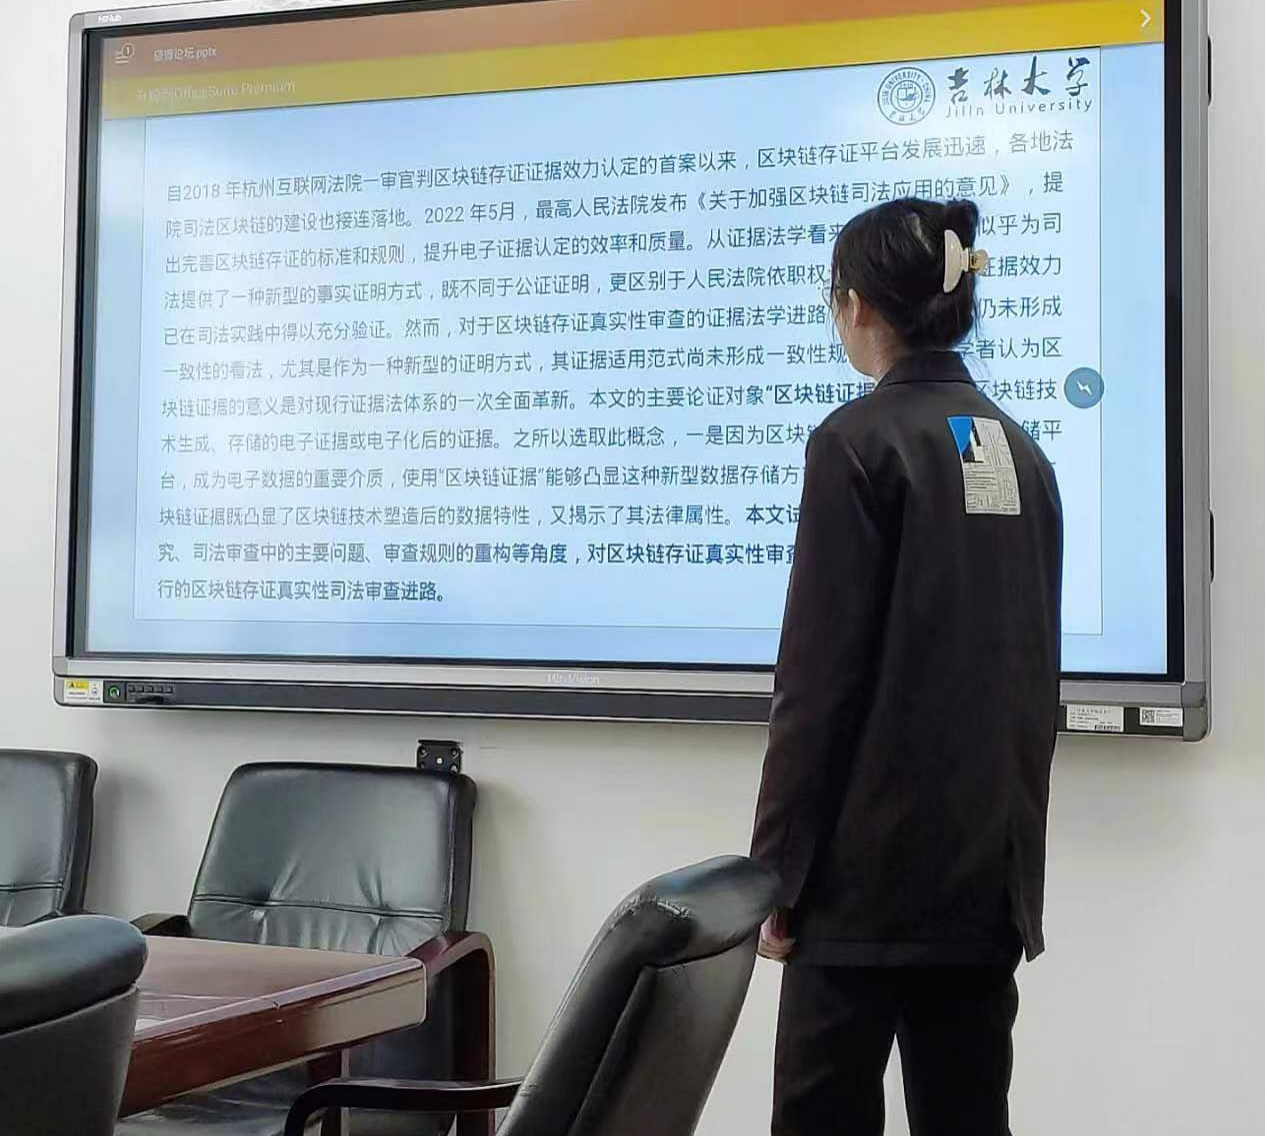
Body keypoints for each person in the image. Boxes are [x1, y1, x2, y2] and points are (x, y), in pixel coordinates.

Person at [750, 198, 1063, 1137]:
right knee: (968, 1116)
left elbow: (816, 685)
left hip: (862, 883)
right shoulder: (1020, 450)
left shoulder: (854, 441)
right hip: (985, 878)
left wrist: (778, 876)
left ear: (857, 306)